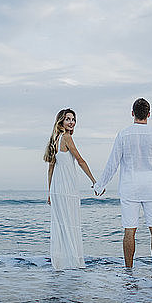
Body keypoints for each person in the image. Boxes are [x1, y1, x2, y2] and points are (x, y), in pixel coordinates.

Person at [93, 98, 152, 274]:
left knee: (129, 230)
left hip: (130, 186)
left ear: (132, 113)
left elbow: (113, 163)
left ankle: (129, 271)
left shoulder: (123, 134)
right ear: (149, 114)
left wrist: (100, 185)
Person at [44, 108, 97, 270]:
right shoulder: (66, 138)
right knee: (70, 223)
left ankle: (61, 264)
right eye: (68, 119)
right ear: (61, 121)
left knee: (62, 225)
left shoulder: (55, 139)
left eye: (73, 119)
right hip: (67, 188)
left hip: (57, 188)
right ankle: (73, 264)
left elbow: (51, 169)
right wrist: (94, 181)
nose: (71, 122)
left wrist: (49, 192)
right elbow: (80, 160)